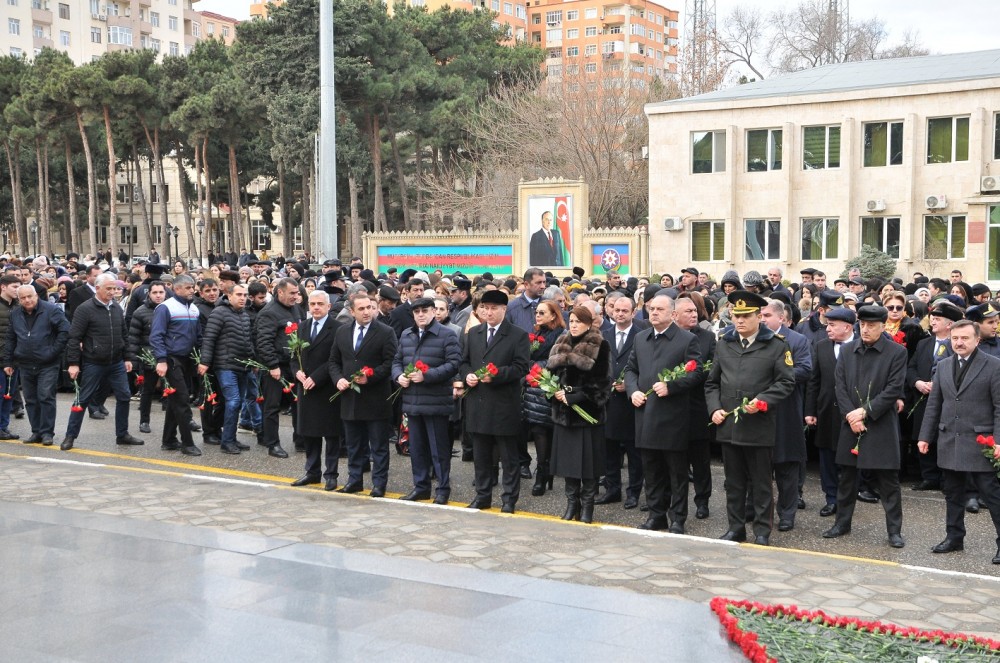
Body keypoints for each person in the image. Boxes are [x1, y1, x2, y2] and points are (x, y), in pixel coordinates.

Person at [706, 291, 795, 546]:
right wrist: (714, 409)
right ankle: (735, 528)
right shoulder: (724, 342)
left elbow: (786, 381)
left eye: (746, 316)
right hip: (729, 424)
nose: (740, 321)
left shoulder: (776, 345)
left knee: (761, 483)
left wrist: (763, 400)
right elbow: (712, 383)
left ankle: (762, 531)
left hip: (758, 425)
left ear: (759, 317)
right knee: (733, 482)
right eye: (736, 316)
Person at [823, 305, 908, 549]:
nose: (866, 329)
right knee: (847, 478)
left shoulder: (896, 352)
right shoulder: (848, 350)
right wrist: (851, 415)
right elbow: (839, 385)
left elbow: (893, 389)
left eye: (872, 325)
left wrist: (865, 412)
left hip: (880, 424)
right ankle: (842, 523)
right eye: (863, 325)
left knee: (888, 481)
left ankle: (894, 531)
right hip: (850, 422)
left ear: (883, 326)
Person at [918, 320, 1000, 565]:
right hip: (949, 441)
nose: (959, 343)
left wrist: (998, 441)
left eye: (965, 338)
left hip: (980, 443)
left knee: (993, 496)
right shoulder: (943, 366)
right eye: (955, 338)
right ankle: (954, 537)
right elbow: (934, 405)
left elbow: (999, 408)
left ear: (977, 340)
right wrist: (925, 436)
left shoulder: (994, 366)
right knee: (952, 494)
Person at [625, 293, 701, 532]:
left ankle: (677, 518)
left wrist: (672, 386)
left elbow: (696, 372)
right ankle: (656, 515)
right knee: (652, 470)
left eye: (659, 309)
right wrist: (633, 390)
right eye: (651, 308)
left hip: (672, 417)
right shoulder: (640, 338)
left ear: (672, 314)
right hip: (645, 415)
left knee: (676, 473)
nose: (653, 313)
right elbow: (631, 369)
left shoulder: (687, 339)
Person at [458, 289, 530, 513]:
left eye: (493, 309)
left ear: (504, 310)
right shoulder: (474, 333)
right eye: (485, 308)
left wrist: (497, 375)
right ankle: (483, 495)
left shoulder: (517, 335)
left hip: (503, 404)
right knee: (481, 456)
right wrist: (467, 374)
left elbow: (521, 367)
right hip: (478, 403)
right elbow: (464, 362)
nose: (488, 313)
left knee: (508, 457)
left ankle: (509, 499)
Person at [60, 274, 143, 451]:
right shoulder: (85, 309)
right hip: (93, 362)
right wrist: (73, 363)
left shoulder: (116, 308)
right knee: (82, 400)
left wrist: (128, 358)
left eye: (115, 289)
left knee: (124, 396)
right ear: (97, 288)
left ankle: (122, 435)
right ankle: (70, 436)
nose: (113, 292)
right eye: (109, 289)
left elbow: (124, 335)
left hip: (116, 363)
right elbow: (74, 338)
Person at [392, 297, 462, 504]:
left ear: (433, 311)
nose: (421, 314)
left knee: (438, 449)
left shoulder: (446, 334)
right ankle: (421, 486)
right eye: (416, 311)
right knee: (417, 448)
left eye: (425, 310)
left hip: (436, 401)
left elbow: (454, 364)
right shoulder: (406, 334)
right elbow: (397, 361)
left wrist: (428, 375)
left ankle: (442, 489)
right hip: (412, 400)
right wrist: (398, 376)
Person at [329, 291, 397, 497]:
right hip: (350, 398)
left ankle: (379, 483)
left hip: (376, 398)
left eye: (369, 307)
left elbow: (390, 362)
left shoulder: (385, 332)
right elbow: (333, 361)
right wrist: (338, 378)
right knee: (354, 444)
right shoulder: (342, 332)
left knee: (378, 445)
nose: (366, 312)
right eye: (361, 309)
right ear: (351, 311)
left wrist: (372, 376)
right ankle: (355, 479)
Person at [548, 306, 611, 524]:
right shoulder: (560, 343)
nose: (574, 325)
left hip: (587, 416)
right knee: (568, 465)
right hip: (563, 416)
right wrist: (552, 392)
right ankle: (571, 504)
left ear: (589, 323)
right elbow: (550, 376)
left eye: (578, 321)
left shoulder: (599, 345)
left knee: (589, 465)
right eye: (571, 320)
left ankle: (587, 508)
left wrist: (574, 397)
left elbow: (603, 384)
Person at [760, 299, 813, 532]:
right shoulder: (756, 339)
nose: (762, 319)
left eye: (767, 315)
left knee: (787, 468)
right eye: (760, 315)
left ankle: (787, 513)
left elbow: (805, 369)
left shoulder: (797, 340)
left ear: (781, 318)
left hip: (786, 411)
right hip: (759, 412)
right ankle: (759, 511)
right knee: (760, 467)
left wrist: (777, 376)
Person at [805, 306, 856, 518]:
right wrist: (810, 410)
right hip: (826, 410)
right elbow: (814, 380)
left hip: (852, 413)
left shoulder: (861, 347)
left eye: (832, 325)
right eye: (827, 324)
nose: (827, 329)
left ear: (847, 326)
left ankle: (848, 498)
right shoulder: (822, 346)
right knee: (826, 456)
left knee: (849, 458)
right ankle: (831, 498)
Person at [3, 285, 69, 445]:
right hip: (25, 363)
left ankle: (47, 433)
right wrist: (8, 361)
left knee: (46, 397)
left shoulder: (51, 310)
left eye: (30, 296)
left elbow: (65, 331)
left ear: (36, 295)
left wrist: (52, 352)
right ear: (19, 300)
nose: (27, 300)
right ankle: (36, 432)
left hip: (48, 363)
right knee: (31, 399)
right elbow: (11, 338)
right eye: (23, 298)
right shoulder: (16, 313)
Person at [289, 291, 342, 490]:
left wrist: (316, 378)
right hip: (306, 388)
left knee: (331, 433)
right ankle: (312, 472)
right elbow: (294, 356)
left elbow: (334, 359)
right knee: (309, 433)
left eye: (320, 303)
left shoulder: (338, 328)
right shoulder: (303, 327)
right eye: (312, 304)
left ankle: (331, 474)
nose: (316, 307)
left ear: (328, 306)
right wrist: (297, 373)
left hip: (326, 387)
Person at [907, 301, 963, 491]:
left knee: (945, 437)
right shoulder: (924, 343)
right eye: (932, 318)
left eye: (937, 319)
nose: (932, 322)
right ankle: (928, 476)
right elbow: (911, 367)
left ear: (950, 324)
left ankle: (946, 478)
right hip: (923, 398)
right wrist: (917, 382)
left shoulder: (958, 344)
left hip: (948, 400)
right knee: (924, 435)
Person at [597, 294, 645, 509]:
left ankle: (634, 492)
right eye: (616, 310)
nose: (620, 314)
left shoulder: (642, 335)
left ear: (633, 312)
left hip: (631, 402)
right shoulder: (603, 334)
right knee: (609, 450)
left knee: (634, 452)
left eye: (625, 310)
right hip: (608, 402)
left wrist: (631, 385)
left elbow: (647, 367)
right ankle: (612, 489)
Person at [198, 284, 254, 456]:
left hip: (243, 365)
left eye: (245, 295)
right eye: (239, 294)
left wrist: (253, 361)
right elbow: (209, 339)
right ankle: (227, 441)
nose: (243, 298)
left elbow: (248, 340)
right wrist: (205, 362)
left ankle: (230, 437)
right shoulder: (219, 313)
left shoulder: (244, 314)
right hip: (225, 365)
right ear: (229, 296)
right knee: (233, 401)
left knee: (237, 403)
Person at [148, 274, 202, 455]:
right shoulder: (165, 308)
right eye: (188, 287)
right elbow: (156, 336)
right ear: (177, 289)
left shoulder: (194, 309)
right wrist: (161, 360)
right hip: (171, 359)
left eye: (193, 287)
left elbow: (198, 337)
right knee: (182, 400)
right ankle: (187, 443)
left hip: (187, 360)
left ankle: (169, 440)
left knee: (175, 401)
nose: (192, 290)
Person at [673, 294, 716, 518]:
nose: (693, 314)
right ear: (675, 315)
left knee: (700, 460)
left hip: (698, 406)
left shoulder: (707, 337)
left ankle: (702, 501)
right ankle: (676, 502)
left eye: (694, 311)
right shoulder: (670, 337)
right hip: (672, 407)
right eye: (688, 311)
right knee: (676, 459)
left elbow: (712, 369)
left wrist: (691, 375)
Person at [254, 277, 302, 459]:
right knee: (272, 406)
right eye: (292, 293)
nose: (296, 297)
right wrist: (272, 365)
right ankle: (272, 443)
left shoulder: (295, 309)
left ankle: (300, 439)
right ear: (280, 292)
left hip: (293, 365)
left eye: (297, 293)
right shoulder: (269, 313)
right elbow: (263, 342)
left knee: (298, 403)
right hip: (276, 367)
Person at [523, 300, 565, 497]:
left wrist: (535, 365)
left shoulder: (561, 335)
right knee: (539, 431)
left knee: (547, 432)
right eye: (536, 312)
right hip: (533, 390)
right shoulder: (538, 333)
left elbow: (558, 361)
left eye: (542, 313)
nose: (537, 316)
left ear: (553, 315)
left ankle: (545, 471)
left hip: (549, 387)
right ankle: (542, 471)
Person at [127, 280, 167, 434]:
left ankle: (181, 420)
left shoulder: (170, 309)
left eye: (161, 292)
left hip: (168, 357)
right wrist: (134, 361)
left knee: (173, 390)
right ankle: (144, 421)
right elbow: (134, 339)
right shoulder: (140, 312)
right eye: (155, 292)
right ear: (149, 294)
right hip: (149, 357)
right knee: (147, 391)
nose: (158, 295)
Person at [0, 274, 21, 440]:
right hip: (1, 359)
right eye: (14, 287)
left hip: (14, 359)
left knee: (9, 395)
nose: (17, 290)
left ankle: (3, 427)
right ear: (3, 287)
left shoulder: (18, 306)